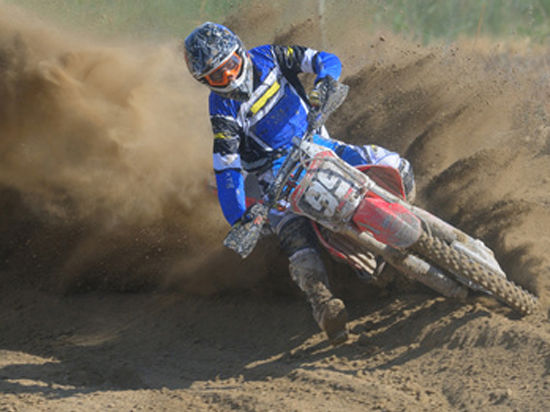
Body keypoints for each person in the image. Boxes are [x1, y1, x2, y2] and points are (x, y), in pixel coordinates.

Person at [182, 22, 415, 345]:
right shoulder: (222, 112)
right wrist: (240, 217)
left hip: (318, 143)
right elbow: (227, 169)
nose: (231, 78)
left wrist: (325, 81)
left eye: (231, 65)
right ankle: (322, 304)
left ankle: (409, 212)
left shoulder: (269, 56)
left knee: (394, 163)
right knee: (294, 235)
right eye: (217, 77)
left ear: (240, 51)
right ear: (205, 82)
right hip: (274, 177)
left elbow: (324, 59)